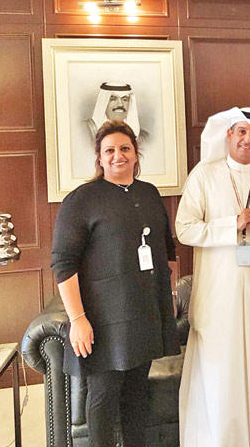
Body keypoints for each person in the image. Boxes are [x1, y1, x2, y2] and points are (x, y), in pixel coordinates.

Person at [51, 121, 179, 447]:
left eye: (125, 148)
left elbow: (166, 251)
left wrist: (168, 296)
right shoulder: (81, 200)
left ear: (136, 154)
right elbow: (63, 264)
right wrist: (78, 319)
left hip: (144, 314)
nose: (117, 156)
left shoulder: (149, 194)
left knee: (137, 393)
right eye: (109, 150)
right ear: (99, 157)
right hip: (102, 319)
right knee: (104, 395)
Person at [176, 107, 250, 447]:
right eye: (241, 131)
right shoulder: (204, 175)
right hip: (217, 292)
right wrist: (233, 224)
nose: (247, 139)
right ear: (228, 135)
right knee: (219, 368)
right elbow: (185, 229)